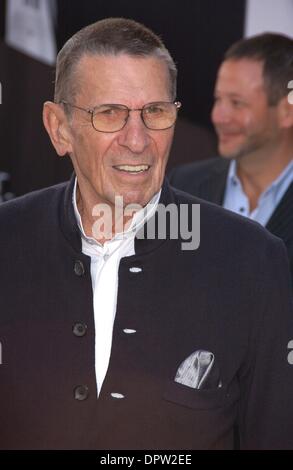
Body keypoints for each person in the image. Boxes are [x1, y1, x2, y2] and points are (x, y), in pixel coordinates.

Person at [0, 19, 293, 451]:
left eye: (154, 112)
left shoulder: (253, 260)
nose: (137, 140)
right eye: (110, 113)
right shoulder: (8, 241)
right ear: (58, 128)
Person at [169, 33, 293, 288]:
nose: (218, 116)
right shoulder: (182, 185)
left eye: (237, 103)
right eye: (218, 100)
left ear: (287, 112)